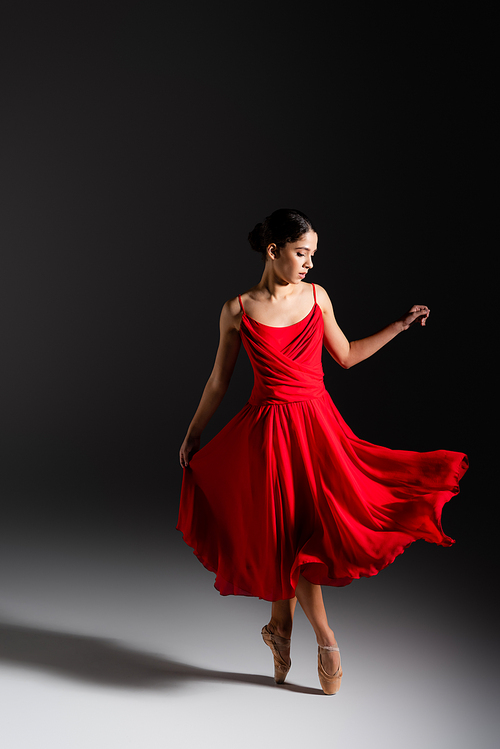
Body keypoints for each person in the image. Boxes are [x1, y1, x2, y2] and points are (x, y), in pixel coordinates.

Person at [177, 208, 468, 695]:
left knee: (300, 534)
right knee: (285, 538)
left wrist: (398, 325)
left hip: (317, 429)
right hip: (267, 435)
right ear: (274, 252)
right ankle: (303, 634)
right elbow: (218, 381)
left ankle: (301, 633)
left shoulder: (317, 298)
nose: (310, 263)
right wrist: (193, 433)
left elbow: (347, 355)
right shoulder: (238, 309)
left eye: (312, 254)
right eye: (301, 252)